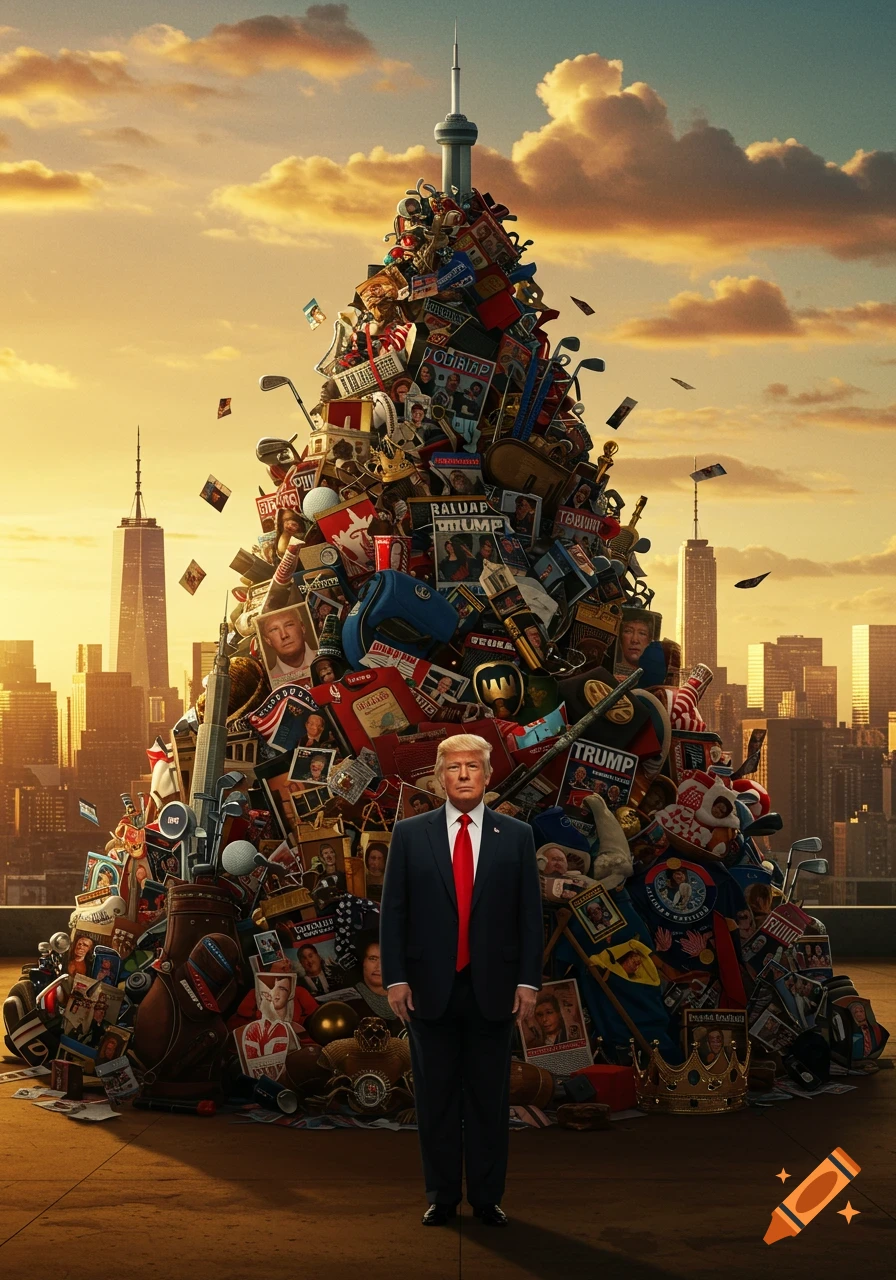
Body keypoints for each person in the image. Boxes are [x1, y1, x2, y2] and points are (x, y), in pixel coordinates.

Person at [380, 733, 542, 1228]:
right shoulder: (410, 834)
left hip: (496, 988)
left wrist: (529, 982)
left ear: (488, 776)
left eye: (473, 766)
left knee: (490, 1100)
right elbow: (394, 913)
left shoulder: (517, 836)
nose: (464, 775)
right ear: (439, 777)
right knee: (436, 1100)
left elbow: (530, 916)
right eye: (454, 767)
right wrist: (395, 978)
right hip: (427, 988)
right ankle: (442, 1197)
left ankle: (488, 1198)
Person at [259, 609, 317, 686]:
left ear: (302, 627)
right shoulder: (268, 683)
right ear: (267, 640)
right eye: (274, 629)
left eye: (289, 625)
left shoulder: (327, 657)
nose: (284, 635)